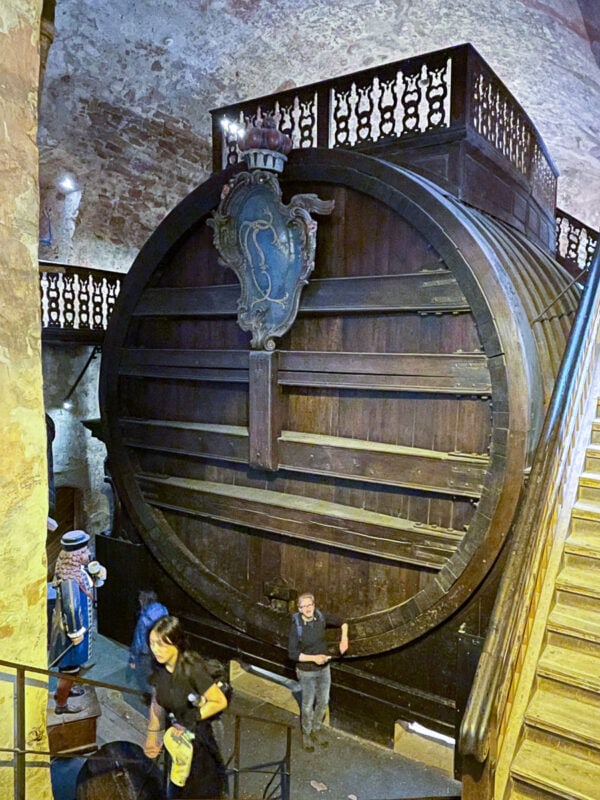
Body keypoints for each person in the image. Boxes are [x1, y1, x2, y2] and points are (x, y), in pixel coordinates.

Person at [143, 615, 229, 799]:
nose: (155, 650)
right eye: (152, 643)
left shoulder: (192, 668)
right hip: (176, 740)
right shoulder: (159, 669)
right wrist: (152, 734)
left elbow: (219, 701)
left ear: (176, 644)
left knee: (197, 790)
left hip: (198, 740)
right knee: (176, 787)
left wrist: (191, 718)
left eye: (161, 644)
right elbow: (157, 700)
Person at [48, 530, 107, 714]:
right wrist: (76, 632)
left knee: (72, 668)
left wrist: (99, 576)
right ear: (75, 555)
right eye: (84, 551)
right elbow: (72, 607)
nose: (88, 553)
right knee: (69, 670)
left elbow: (89, 585)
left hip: (78, 628)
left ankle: (68, 690)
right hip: (72, 633)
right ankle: (61, 704)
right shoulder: (69, 580)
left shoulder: (76, 570)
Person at [288, 592, 349, 751]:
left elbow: (343, 622)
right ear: (299, 609)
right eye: (304, 606)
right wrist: (313, 658)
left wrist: (344, 638)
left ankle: (316, 729)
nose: (308, 608)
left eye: (310, 605)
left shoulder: (321, 617)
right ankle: (306, 734)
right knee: (308, 705)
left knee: (323, 701)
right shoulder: (297, 626)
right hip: (306, 671)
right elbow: (292, 654)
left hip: (324, 669)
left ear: (314, 606)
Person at [129, 589, 169, 699]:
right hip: (162, 649)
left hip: (146, 652)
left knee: (145, 675)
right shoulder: (163, 610)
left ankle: (149, 697)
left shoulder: (144, 618)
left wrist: (132, 659)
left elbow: (138, 641)